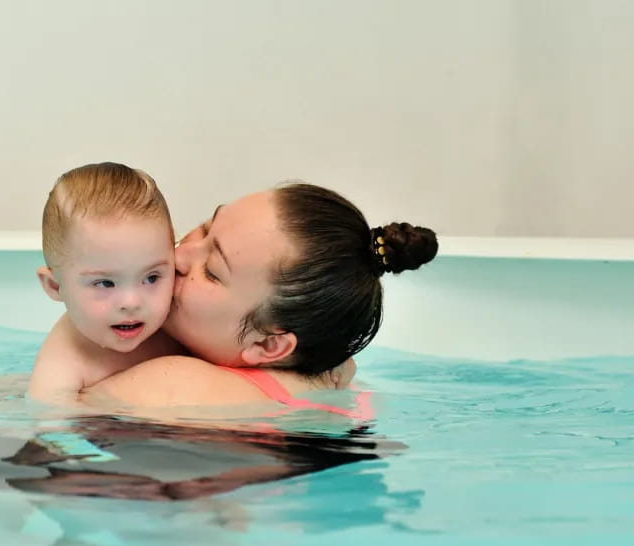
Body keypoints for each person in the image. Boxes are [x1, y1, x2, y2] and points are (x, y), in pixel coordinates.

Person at [79, 182, 437, 414]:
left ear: (269, 345)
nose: (180, 255)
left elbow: (51, 440)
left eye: (213, 271)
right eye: (205, 228)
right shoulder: (330, 380)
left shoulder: (173, 386)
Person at [28, 162, 182, 402]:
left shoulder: (180, 318)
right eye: (105, 284)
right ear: (55, 286)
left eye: (151, 278)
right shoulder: (61, 368)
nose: (131, 302)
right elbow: (52, 432)